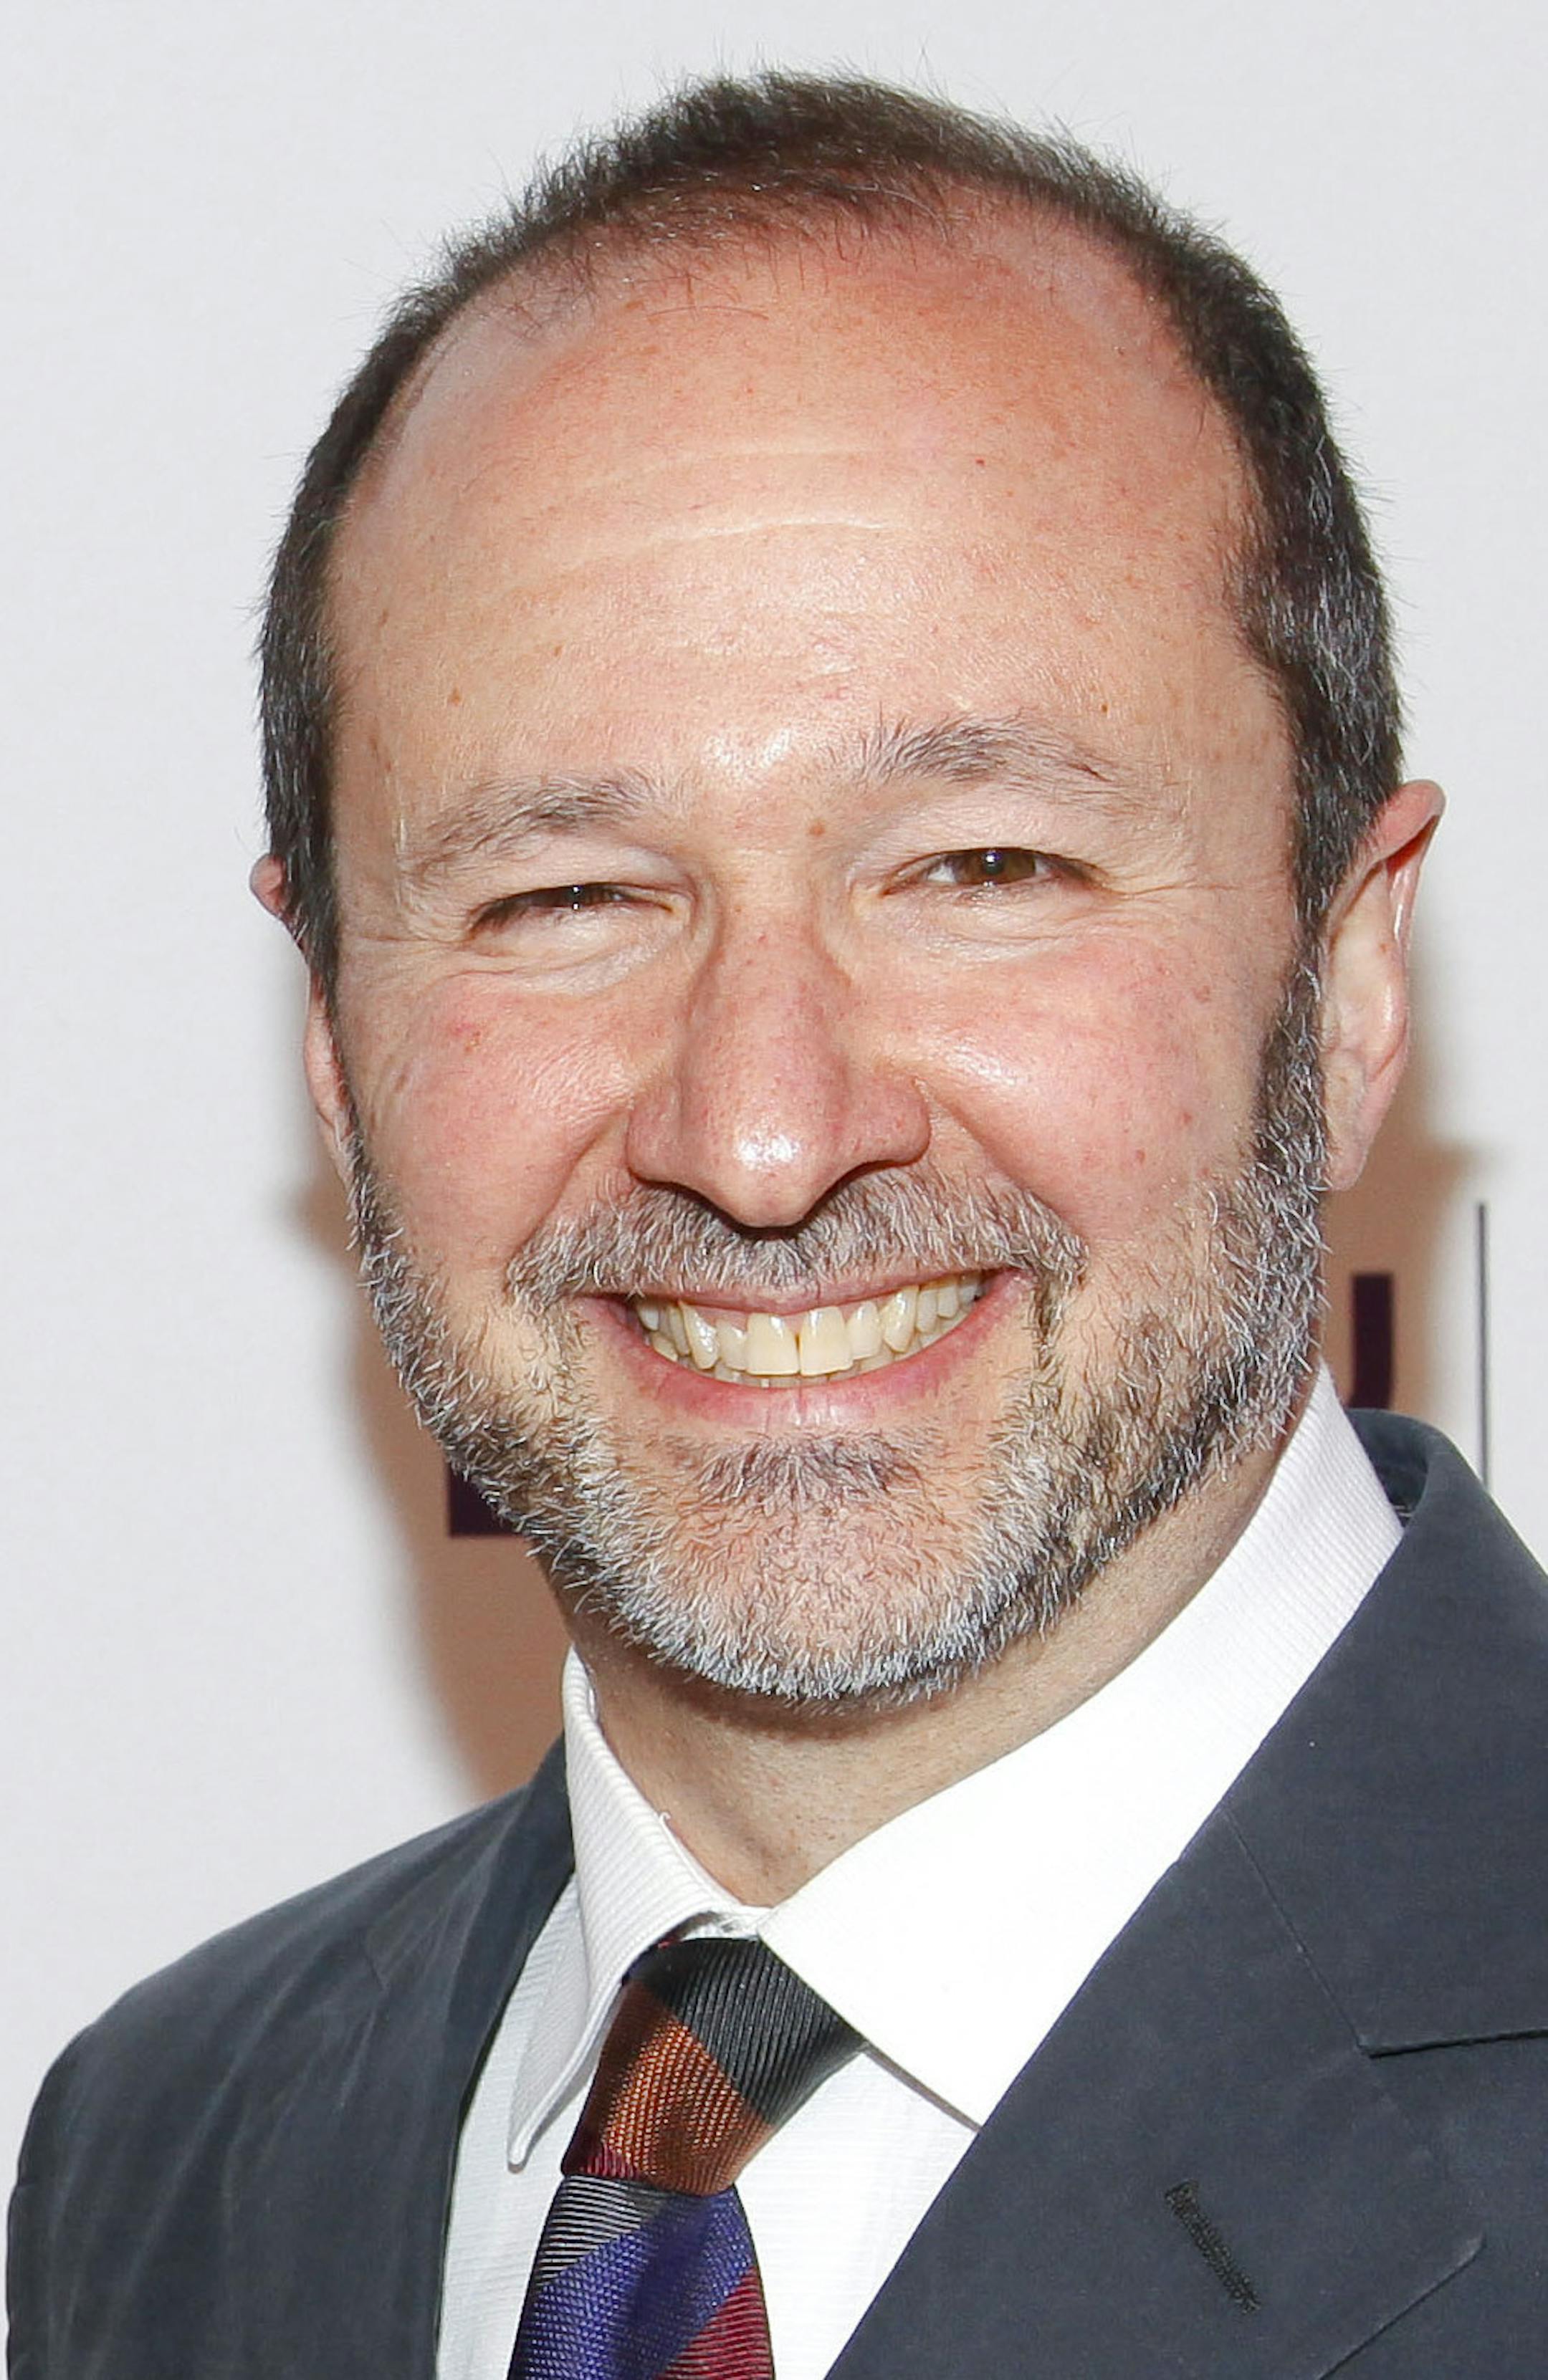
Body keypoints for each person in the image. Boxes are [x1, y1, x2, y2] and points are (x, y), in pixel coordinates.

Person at [9, 70, 1546, 2380]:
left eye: (980, 869)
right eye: (564, 897)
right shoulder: (166, 2146)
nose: (759, 1130)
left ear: (1342, 971)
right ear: (331, 1028)